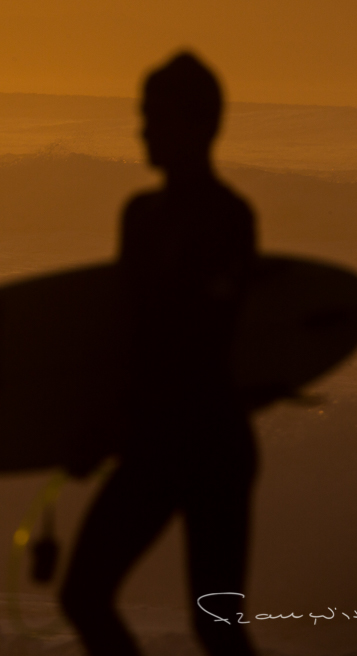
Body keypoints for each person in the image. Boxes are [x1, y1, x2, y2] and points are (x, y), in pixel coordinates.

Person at [59, 52, 259, 656]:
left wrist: (117, 425)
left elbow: (202, 342)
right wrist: (100, 420)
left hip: (209, 445)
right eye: (142, 115)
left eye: (155, 117)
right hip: (156, 439)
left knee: (215, 624)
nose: (142, 130)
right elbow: (129, 333)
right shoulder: (140, 215)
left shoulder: (228, 218)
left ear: (200, 125)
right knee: (84, 597)